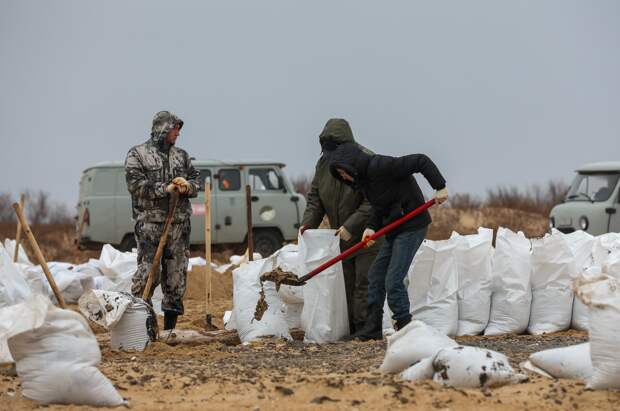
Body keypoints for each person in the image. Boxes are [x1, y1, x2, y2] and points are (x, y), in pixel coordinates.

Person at [328, 141, 448, 340]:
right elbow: (379, 207)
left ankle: (406, 329)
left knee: (393, 280)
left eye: (343, 172)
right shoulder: (365, 181)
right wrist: (371, 228)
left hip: (412, 226)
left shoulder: (382, 166)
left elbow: (421, 160)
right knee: (375, 276)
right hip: (395, 230)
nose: (343, 177)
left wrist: (440, 186)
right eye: (340, 175)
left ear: (352, 165)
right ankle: (373, 327)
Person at [300, 119, 380, 334]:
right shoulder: (323, 164)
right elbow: (315, 197)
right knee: (345, 283)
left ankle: (367, 329)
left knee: (364, 281)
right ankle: (351, 328)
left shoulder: (366, 159)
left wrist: (351, 225)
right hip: (340, 237)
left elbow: (372, 200)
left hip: (368, 234)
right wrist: (308, 223)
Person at [125, 111, 200, 330]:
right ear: (163, 129)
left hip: (179, 225)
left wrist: (188, 186)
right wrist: (165, 189)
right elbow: (135, 185)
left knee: (176, 276)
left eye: (179, 129)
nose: (178, 133)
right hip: (150, 224)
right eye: (175, 129)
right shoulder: (138, 154)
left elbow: (196, 179)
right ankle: (143, 327)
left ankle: (170, 330)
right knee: (148, 274)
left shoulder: (182, 156)